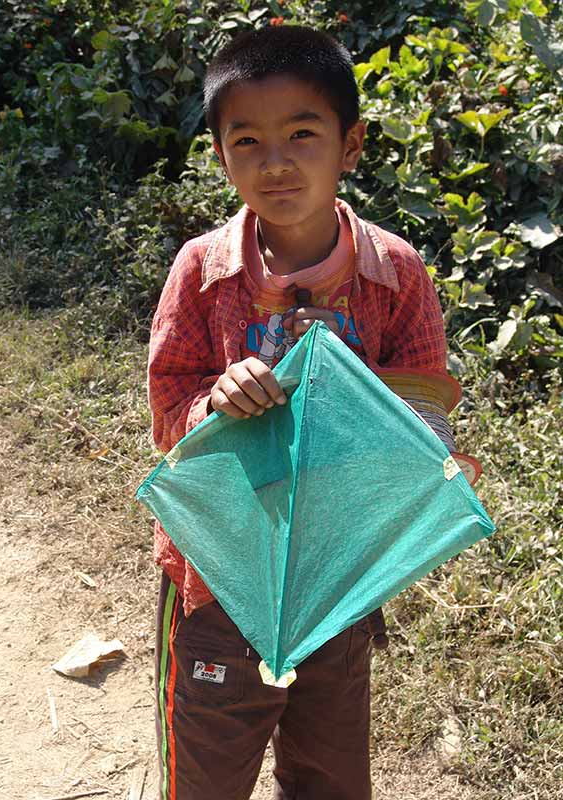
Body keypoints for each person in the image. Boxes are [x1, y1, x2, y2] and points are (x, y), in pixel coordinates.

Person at [148, 24, 447, 800]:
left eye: (302, 134)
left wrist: (374, 416)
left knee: (330, 774)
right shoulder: (201, 273)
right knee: (206, 776)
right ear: (220, 157)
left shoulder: (397, 275)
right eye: (246, 140)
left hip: (337, 582)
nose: (274, 162)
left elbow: (426, 422)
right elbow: (170, 406)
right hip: (216, 576)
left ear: (350, 145)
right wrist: (216, 401)